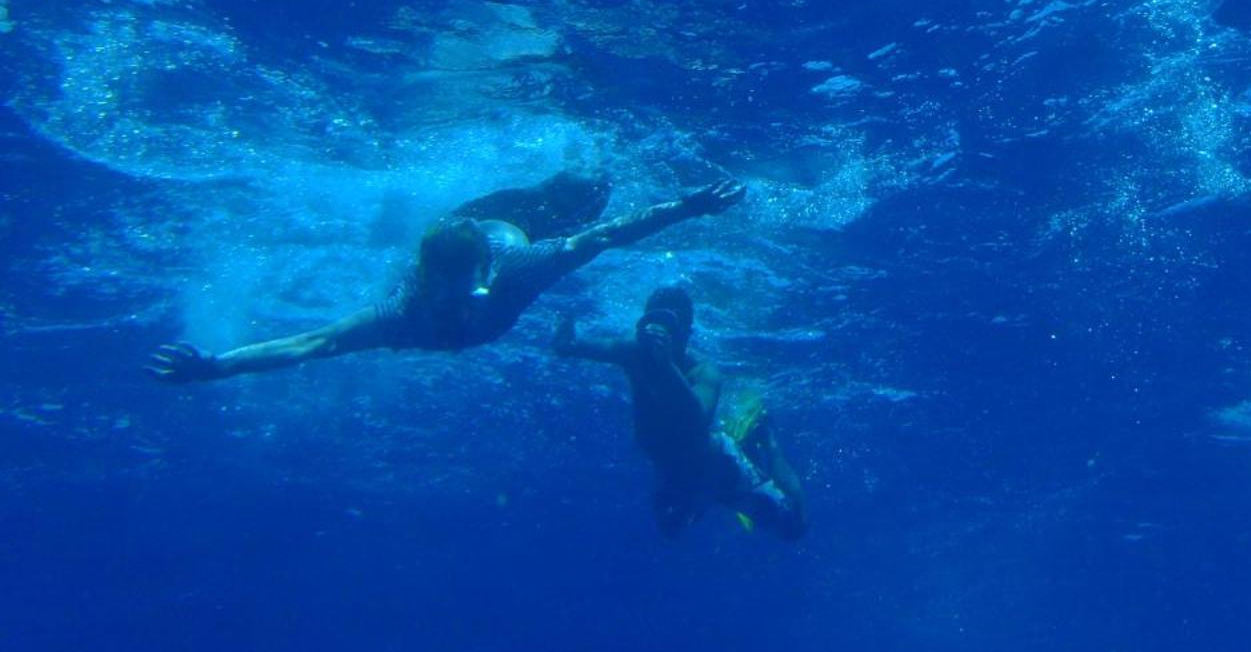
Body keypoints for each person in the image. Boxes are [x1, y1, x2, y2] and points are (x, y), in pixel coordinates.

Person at [148, 173, 742, 381]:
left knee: (591, 187)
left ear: (485, 276)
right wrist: (217, 366)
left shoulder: (518, 271)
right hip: (467, 223)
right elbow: (313, 342)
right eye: (446, 302)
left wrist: (690, 205)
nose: (458, 315)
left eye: (466, 299)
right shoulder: (404, 313)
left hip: (520, 220)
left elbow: (605, 235)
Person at [554, 286, 808, 540]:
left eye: (673, 327)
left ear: (687, 334)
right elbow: (574, 346)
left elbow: (697, 419)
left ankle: (767, 438)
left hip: (718, 467)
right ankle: (748, 440)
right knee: (670, 528)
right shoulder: (632, 351)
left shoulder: (703, 370)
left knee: (792, 527)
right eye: (656, 321)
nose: (661, 334)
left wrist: (666, 366)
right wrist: (565, 339)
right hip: (671, 467)